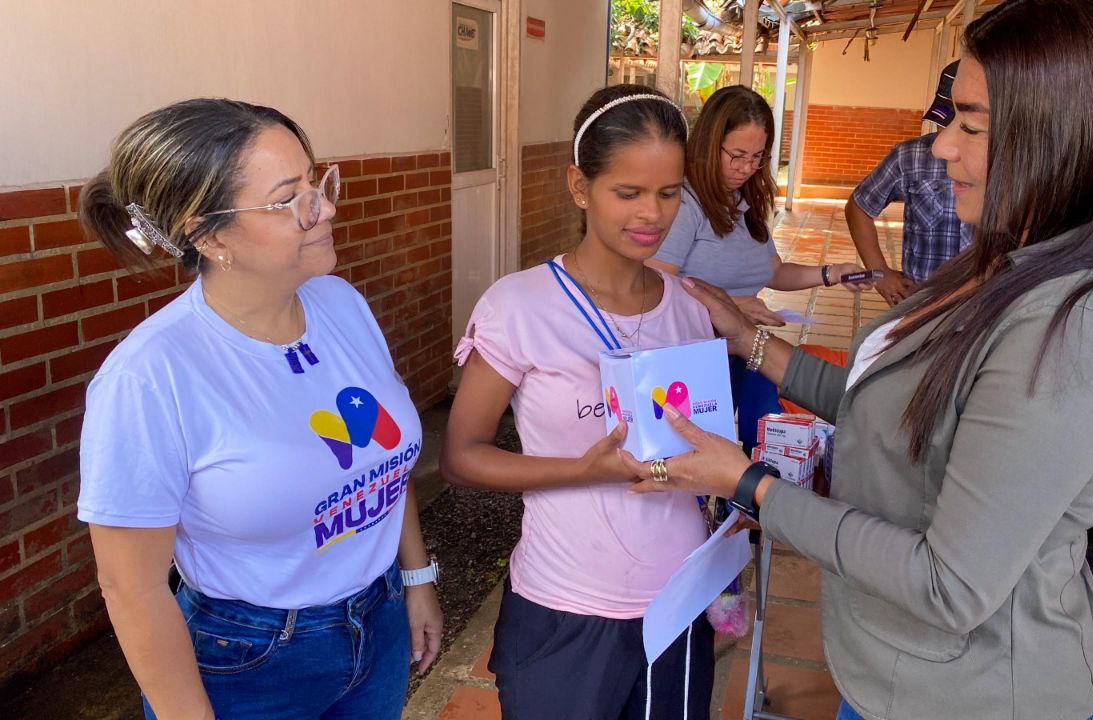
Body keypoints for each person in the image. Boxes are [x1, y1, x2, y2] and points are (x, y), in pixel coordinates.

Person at [617, 1, 1093, 718]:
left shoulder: (1079, 328)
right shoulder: (1006, 262)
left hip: (967, 696)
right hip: (893, 674)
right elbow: (885, 400)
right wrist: (745, 338)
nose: (941, 146)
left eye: (970, 126)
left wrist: (752, 485)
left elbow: (950, 583)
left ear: (1067, 138)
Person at [76, 99, 442, 720]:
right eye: (288, 198)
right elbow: (131, 587)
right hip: (249, 660)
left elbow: (382, 463)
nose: (324, 208)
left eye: (316, 181)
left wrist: (416, 578)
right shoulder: (151, 376)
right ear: (210, 233)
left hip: (377, 623)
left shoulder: (340, 303)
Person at [440, 85, 717, 720]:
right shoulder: (519, 306)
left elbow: (696, 446)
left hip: (676, 602)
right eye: (628, 192)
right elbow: (460, 457)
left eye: (669, 192)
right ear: (578, 185)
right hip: (565, 607)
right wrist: (582, 471)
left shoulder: (690, 310)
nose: (652, 214)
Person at [648, 85, 873, 451]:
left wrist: (833, 273)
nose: (746, 168)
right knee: (691, 454)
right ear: (708, 143)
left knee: (763, 437)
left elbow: (773, 272)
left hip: (735, 350)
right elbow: (653, 285)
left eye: (757, 158)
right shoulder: (685, 204)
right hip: (689, 359)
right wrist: (731, 306)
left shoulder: (742, 201)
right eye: (736, 155)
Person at [845, 60, 971, 306]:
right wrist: (879, 273)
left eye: (965, 127)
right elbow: (859, 206)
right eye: (943, 123)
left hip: (983, 310)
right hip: (919, 303)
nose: (946, 139)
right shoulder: (911, 157)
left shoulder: (1015, 166)